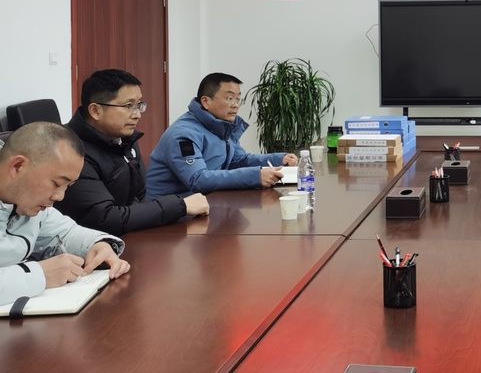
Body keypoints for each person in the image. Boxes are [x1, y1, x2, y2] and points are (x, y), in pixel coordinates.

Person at [55, 69, 209, 235]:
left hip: (127, 235)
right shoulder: (72, 151)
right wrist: (180, 206)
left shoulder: (125, 140)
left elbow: (138, 197)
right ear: (95, 111)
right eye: (128, 106)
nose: (137, 115)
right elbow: (104, 219)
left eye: (139, 105)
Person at [0, 122, 130, 306]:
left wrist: (98, 245)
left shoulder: (26, 202)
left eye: (67, 186)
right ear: (17, 166)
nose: (60, 196)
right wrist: (40, 275)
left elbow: (66, 232)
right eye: (56, 183)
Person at [146, 73, 298, 197]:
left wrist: (280, 159)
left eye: (238, 99)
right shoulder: (183, 135)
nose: (235, 104)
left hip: (205, 202)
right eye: (229, 98)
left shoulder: (221, 126)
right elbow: (197, 179)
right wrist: (256, 176)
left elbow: (238, 160)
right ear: (206, 102)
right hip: (172, 213)